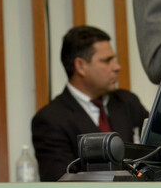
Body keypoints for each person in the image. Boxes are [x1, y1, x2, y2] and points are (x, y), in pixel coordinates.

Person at [31, 26, 148, 181]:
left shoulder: (128, 102)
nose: (117, 67)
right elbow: (59, 180)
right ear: (80, 66)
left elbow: (155, 153)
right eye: (107, 60)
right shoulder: (50, 119)